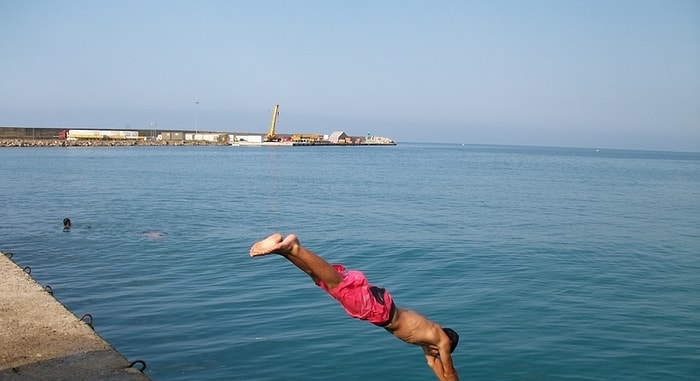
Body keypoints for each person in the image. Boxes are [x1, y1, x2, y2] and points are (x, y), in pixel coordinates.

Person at [250, 233, 459, 381]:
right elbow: (449, 373)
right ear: (447, 343)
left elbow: (434, 367)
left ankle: (284, 252)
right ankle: (294, 247)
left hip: (382, 307)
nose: (438, 355)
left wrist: (437, 367)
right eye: (441, 353)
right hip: (381, 311)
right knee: (338, 285)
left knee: (324, 282)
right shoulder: (441, 339)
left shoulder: (429, 340)